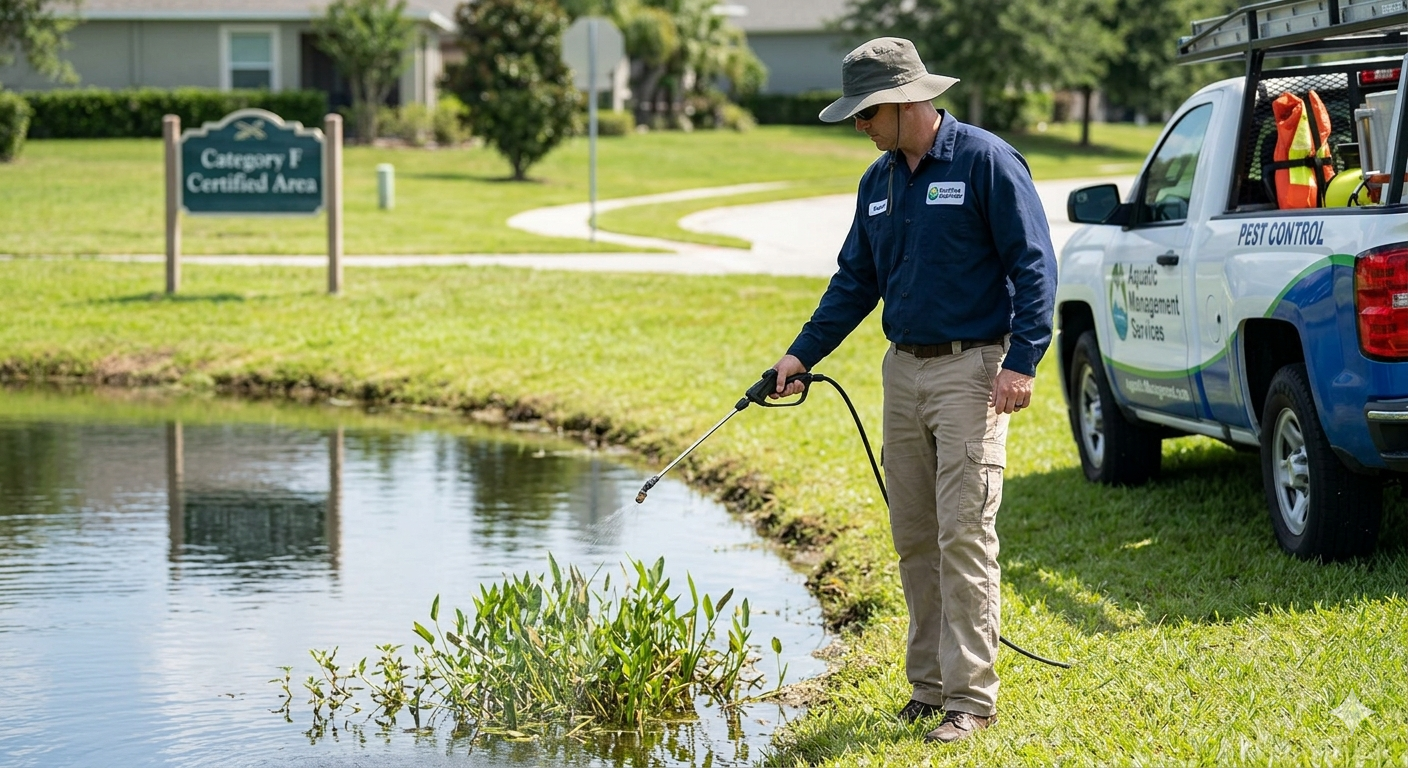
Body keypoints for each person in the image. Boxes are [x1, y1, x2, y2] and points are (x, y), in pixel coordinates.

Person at [769, 37, 1056, 744]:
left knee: (964, 533)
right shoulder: (881, 182)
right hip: (904, 371)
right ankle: (929, 689)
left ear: (904, 102)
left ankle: (972, 701)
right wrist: (801, 354)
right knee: (915, 537)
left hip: (973, 370)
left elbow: (1035, 264)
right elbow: (855, 281)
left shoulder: (986, 160)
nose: (859, 128)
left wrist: (1022, 361)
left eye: (865, 115)